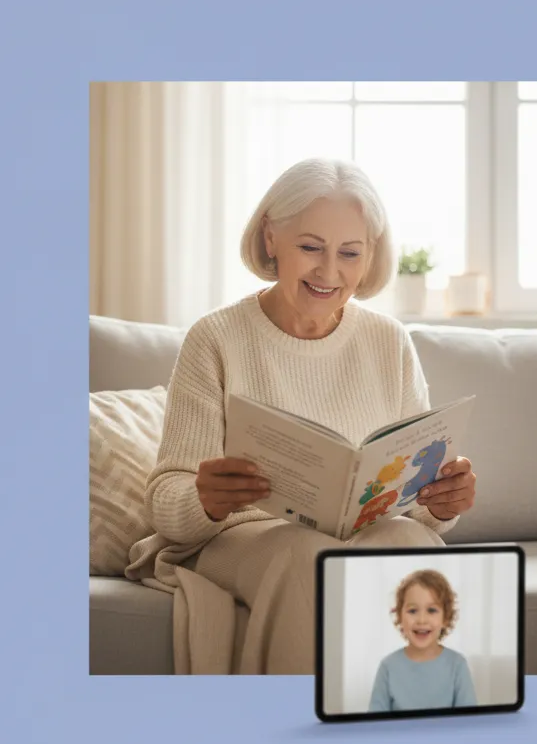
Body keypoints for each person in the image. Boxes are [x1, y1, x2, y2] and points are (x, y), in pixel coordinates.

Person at [127, 158, 477, 674]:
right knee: (308, 555)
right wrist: (204, 497)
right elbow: (166, 505)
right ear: (271, 238)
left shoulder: (389, 341)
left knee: (407, 541)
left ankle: (422, 717)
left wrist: (442, 503)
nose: (329, 272)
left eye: (349, 253)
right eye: (310, 247)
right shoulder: (216, 338)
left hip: (355, 532)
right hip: (237, 538)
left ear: (370, 255)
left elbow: (418, 512)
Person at [369, 569, 478, 712]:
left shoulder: (457, 665)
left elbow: (469, 722)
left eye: (431, 610)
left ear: (445, 618)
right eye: (413, 611)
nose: (421, 620)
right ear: (400, 617)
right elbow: (375, 724)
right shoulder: (388, 667)